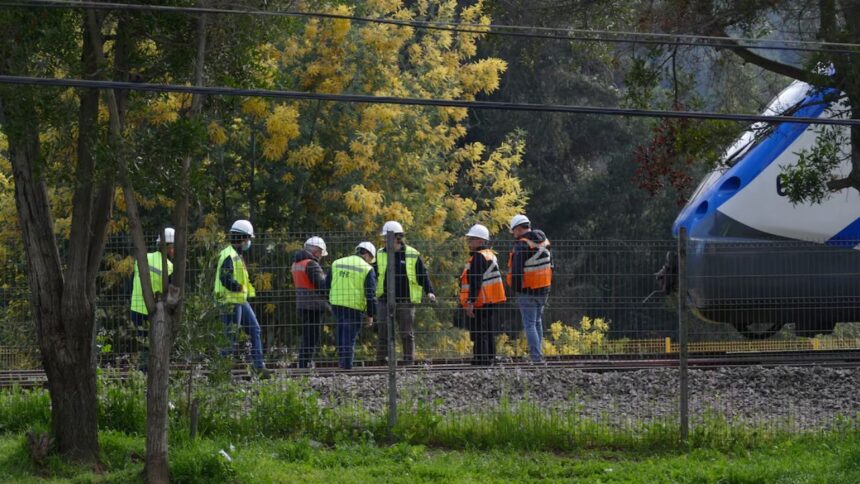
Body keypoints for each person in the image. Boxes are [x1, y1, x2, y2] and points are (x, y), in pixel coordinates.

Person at [375, 220, 436, 364]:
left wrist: (429, 291)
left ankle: (408, 361)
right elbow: (373, 274)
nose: (385, 240)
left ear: (397, 237)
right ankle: (382, 361)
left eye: (387, 237)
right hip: (384, 299)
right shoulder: (380, 254)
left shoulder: (412, 254)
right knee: (383, 331)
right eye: (384, 238)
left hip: (405, 301)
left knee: (406, 333)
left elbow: (422, 274)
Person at [214, 219, 267, 376]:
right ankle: (222, 372)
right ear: (243, 238)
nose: (249, 242)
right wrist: (238, 287)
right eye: (249, 238)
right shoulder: (229, 255)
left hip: (239, 300)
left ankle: (258, 366)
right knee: (230, 337)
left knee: (254, 329)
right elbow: (225, 278)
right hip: (230, 301)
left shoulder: (236, 254)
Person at [506, 214, 552, 363]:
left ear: (519, 229)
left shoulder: (522, 245)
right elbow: (551, 265)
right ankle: (538, 355)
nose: (513, 234)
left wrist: (516, 289)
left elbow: (516, 272)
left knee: (530, 324)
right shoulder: (544, 241)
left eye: (513, 230)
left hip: (527, 291)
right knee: (537, 322)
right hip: (543, 289)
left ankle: (536, 357)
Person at [129, 227, 175, 372]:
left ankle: (142, 374)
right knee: (154, 345)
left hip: (136, 308)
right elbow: (171, 295)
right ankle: (151, 373)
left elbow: (131, 281)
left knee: (142, 344)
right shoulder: (170, 267)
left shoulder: (143, 258)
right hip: (153, 311)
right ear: (167, 247)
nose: (174, 251)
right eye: (173, 247)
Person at [460, 224, 506, 365]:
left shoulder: (478, 257)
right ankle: (490, 357)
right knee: (488, 329)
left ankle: (481, 359)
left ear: (480, 241)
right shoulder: (490, 255)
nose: (468, 243)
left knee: (480, 331)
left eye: (471, 240)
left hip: (481, 300)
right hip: (491, 299)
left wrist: (471, 302)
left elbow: (475, 282)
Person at [329, 242, 377, 369]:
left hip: (336, 304)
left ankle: (342, 363)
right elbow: (370, 294)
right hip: (354, 307)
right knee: (349, 338)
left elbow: (326, 285)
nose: (370, 262)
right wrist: (371, 314)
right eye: (371, 259)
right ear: (367, 255)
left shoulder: (337, 263)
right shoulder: (367, 269)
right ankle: (346, 367)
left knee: (341, 334)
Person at [291, 236, 329, 369]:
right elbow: (322, 286)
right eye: (321, 253)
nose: (321, 256)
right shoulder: (311, 264)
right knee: (312, 337)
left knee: (307, 336)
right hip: (314, 306)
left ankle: (303, 364)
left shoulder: (296, 264)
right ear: (316, 250)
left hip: (302, 305)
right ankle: (305, 364)